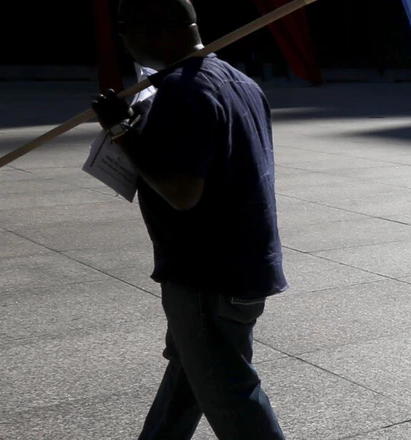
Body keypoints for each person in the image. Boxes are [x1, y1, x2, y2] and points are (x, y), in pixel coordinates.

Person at [90, 0, 288, 438]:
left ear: (158, 30)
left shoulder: (183, 90)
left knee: (232, 396)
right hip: (244, 265)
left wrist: (122, 133)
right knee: (189, 375)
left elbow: (182, 192)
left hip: (206, 277)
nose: (124, 42)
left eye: (125, 30)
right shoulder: (240, 82)